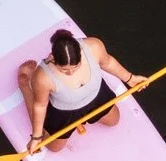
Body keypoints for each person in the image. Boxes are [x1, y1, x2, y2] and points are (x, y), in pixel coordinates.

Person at [18, 29, 148, 145]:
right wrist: (36, 137)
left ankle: (83, 117)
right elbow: (40, 106)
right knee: (53, 147)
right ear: (53, 59)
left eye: (75, 67)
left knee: (114, 120)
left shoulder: (94, 46)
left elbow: (107, 62)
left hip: (94, 95)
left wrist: (130, 78)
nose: (71, 73)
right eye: (64, 70)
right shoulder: (42, 77)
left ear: (80, 52)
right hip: (65, 110)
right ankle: (24, 83)